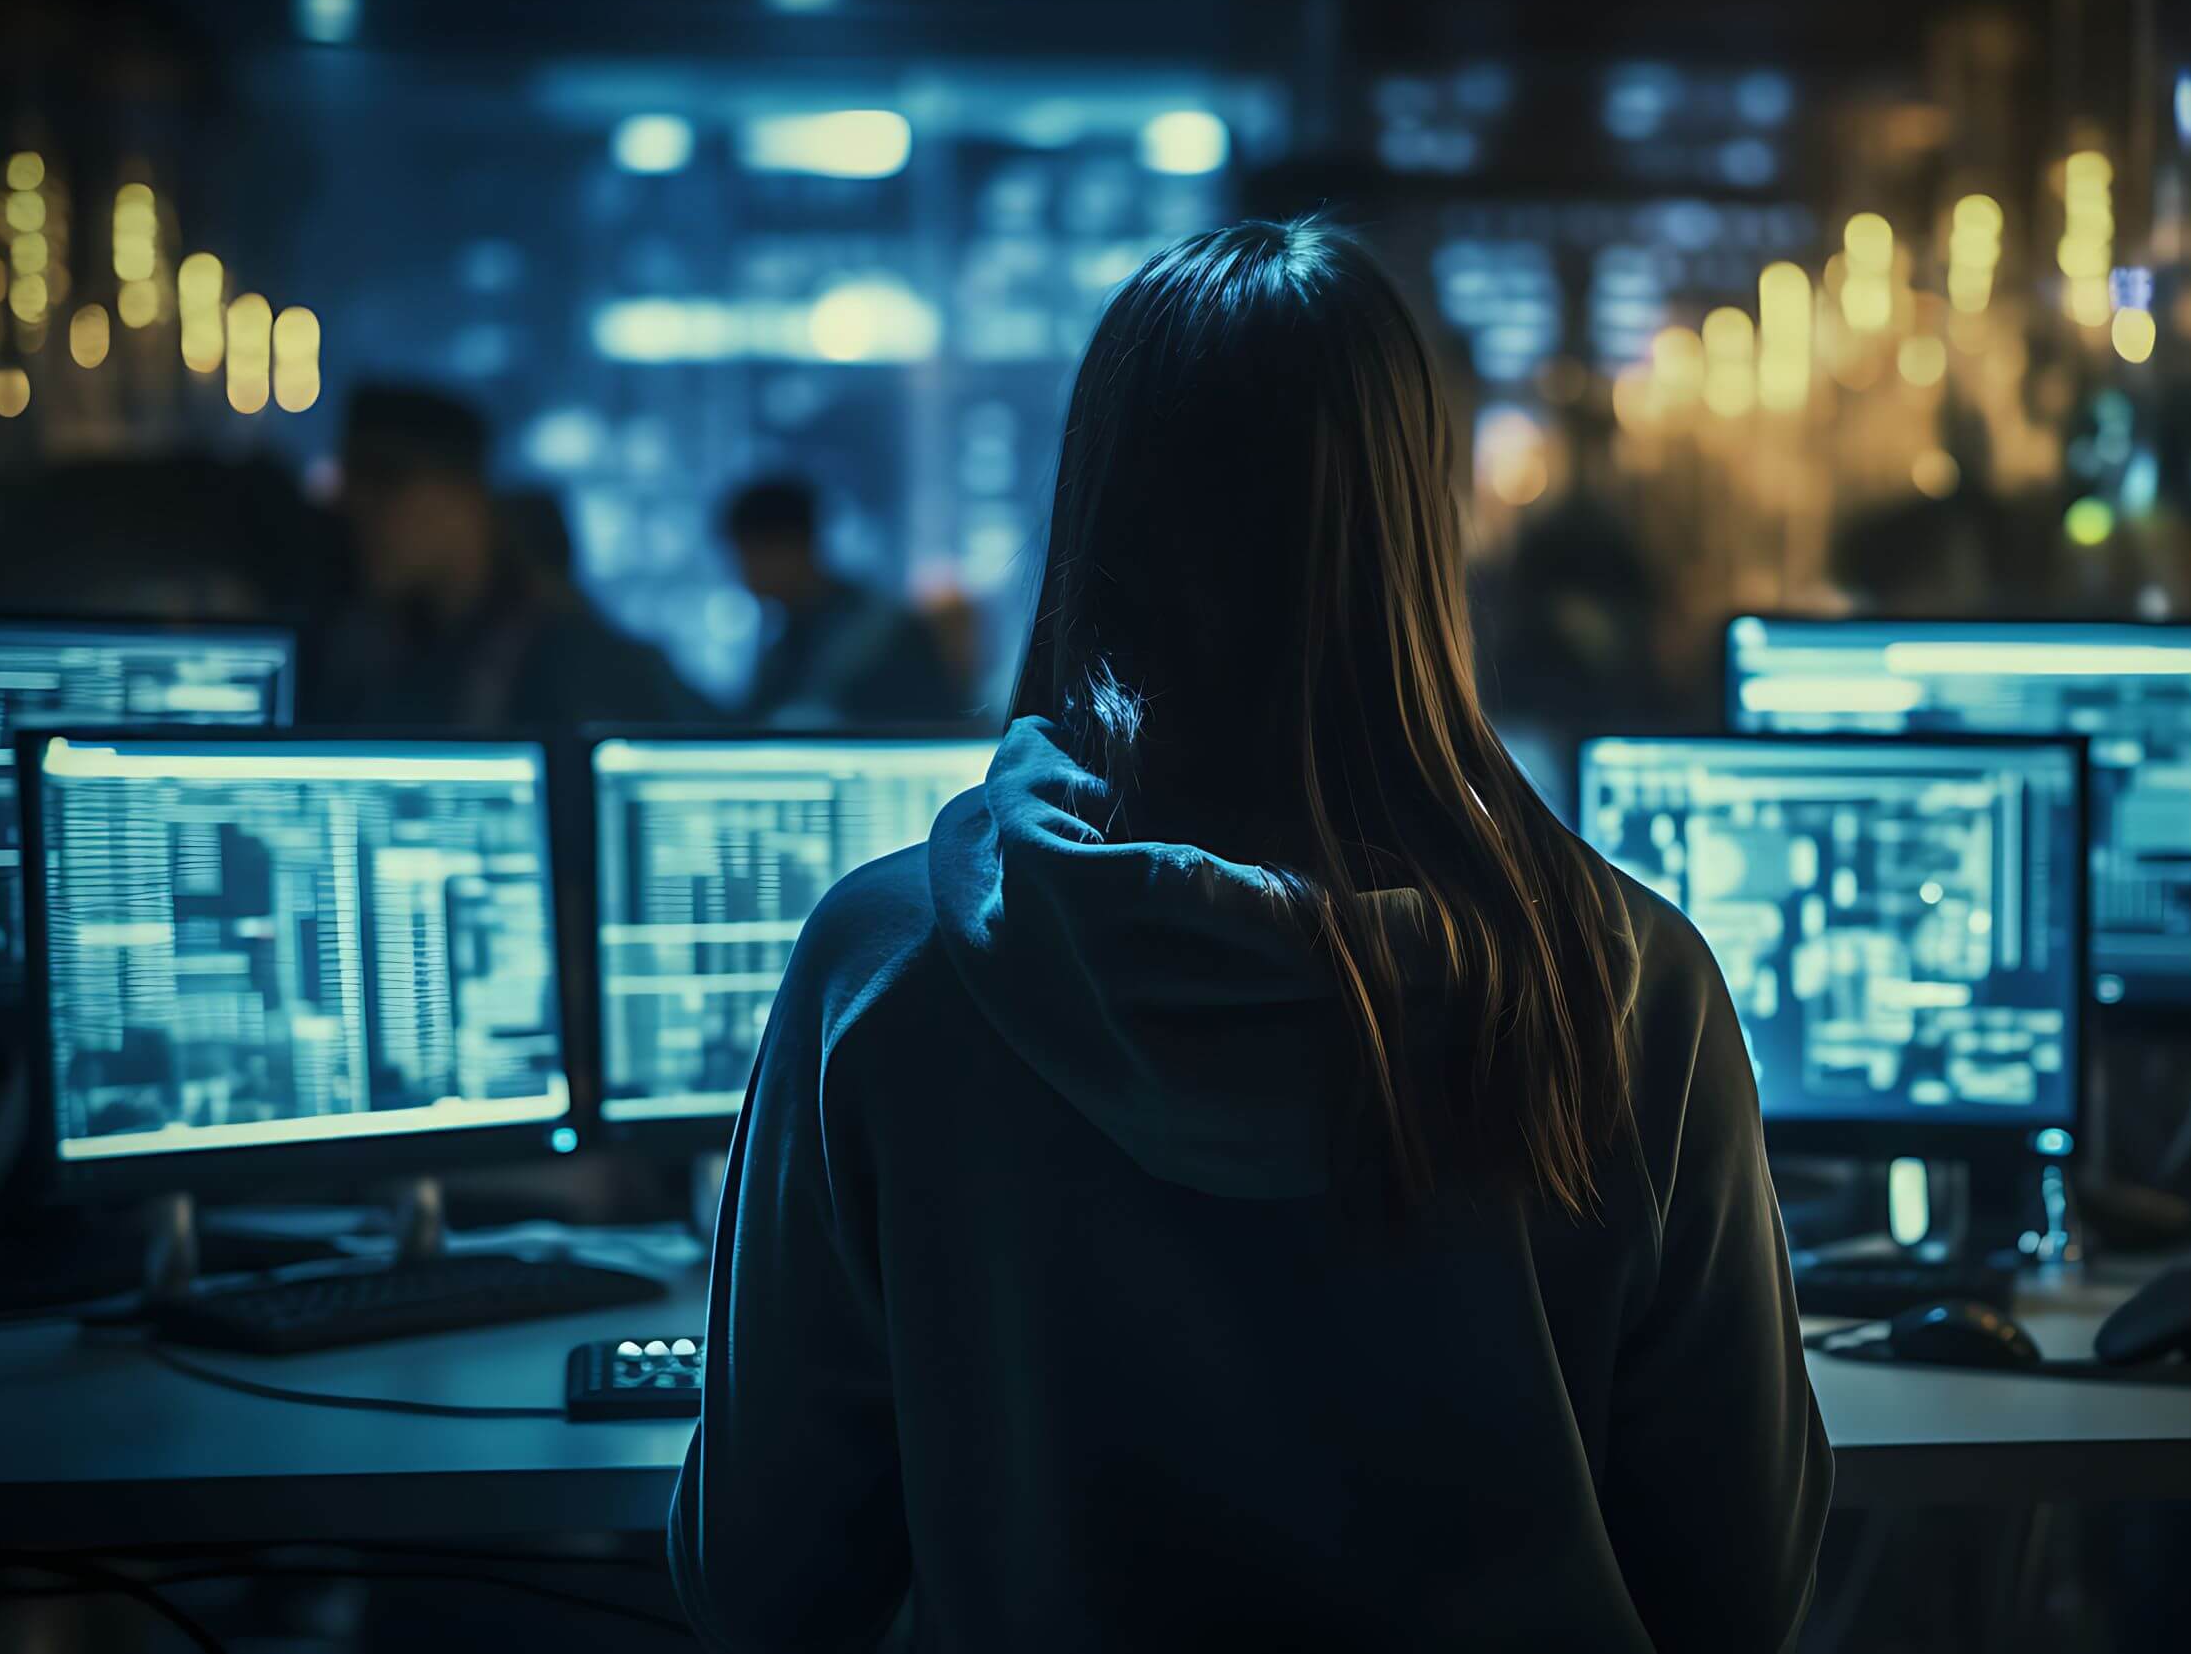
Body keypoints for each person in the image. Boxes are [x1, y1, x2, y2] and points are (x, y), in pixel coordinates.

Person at [671, 221, 1830, 1650]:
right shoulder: (1623, 980)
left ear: (1091, 512)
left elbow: (761, 1585)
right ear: (1424, 533)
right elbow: (1742, 1593)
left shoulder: (886, 971)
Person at [318, 384, 709, 729]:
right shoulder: (375, 652)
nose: (363, 520)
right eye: (353, 495)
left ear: (464, 495)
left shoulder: (575, 660)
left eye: (387, 488)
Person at [721, 477, 965, 726]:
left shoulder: (880, 632)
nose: (742, 572)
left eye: (745, 555)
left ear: (788, 547)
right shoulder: (789, 633)